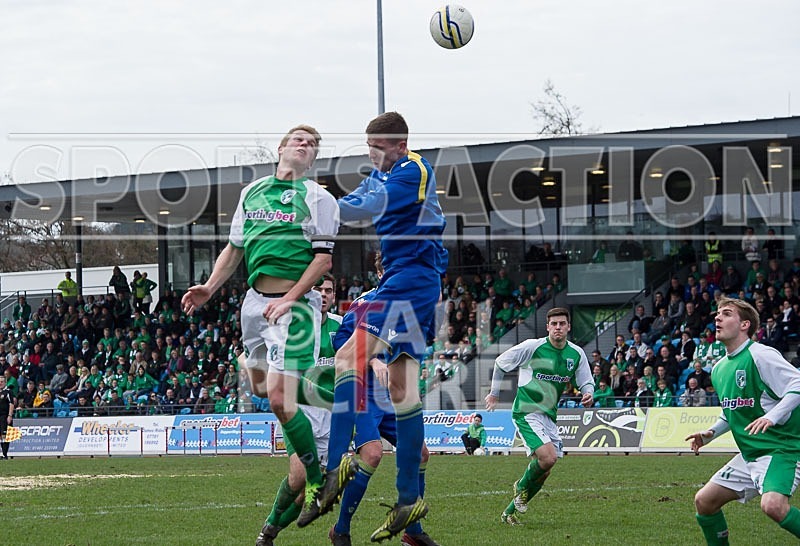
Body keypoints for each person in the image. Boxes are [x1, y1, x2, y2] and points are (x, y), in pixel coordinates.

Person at [180, 124, 340, 542]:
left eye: (312, 144)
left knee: (279, 397)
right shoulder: (252, 193)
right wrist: (209, 287)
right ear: (281, 147)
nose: (305, 145)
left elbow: (322, 261)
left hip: (295, 308)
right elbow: (234, 249)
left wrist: (292, 298)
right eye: (298, 139)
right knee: (258, 387)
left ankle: (319, 481)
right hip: (254, 304)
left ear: (313, 158)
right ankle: (310, 452)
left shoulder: (320, 199)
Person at [298, 112, 448, 543]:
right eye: (369, 147)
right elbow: (349, 205)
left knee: (348, 358)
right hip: (412, 282)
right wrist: (313, 205)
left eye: (379, 147)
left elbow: (368, 206)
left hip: (411, 278)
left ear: (401, 144)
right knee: (403, 389)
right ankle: (408, 504)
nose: (372, 154)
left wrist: (312, 198)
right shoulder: (380, 174)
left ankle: (332, 473)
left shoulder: (413, 170)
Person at [685, 297, 800, 543]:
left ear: (745, 324)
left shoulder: (761, 355)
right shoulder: (718, 369)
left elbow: (797, 384)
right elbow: (732, 410)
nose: (717, 317)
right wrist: (710, 434)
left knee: (773, 505)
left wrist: (771, 417)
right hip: (750, 454)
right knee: (704, 501)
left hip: (781, 449)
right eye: (717, 313)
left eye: (726, 313)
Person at [485, 307, 594, 526]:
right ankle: (520, 486)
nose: (558, 328)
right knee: (548, 458)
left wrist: (588, 393)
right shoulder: (532, 347)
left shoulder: (576, 353)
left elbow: (586, 381)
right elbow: (500, 363)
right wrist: (494, 394)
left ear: (568, 327)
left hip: (549, 415)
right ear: (547, 327)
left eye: (562, 324)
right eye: (554, 324)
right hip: (527, 411)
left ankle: (509, 513)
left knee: (545, 471)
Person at [256, 274, 342, 546]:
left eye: (329, 290)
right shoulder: (295, 325)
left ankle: (270, 532)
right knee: (299, 477)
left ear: (334, 296)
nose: (324, 294)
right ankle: (269, 525)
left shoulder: (342, 326)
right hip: (298, 410)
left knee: (307, 493)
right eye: (319, 288)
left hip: (329, 418)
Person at [0, 375, 15, 459]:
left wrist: (9, 415)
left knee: (4, 435)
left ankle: (4, 454)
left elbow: (11, 404)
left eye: (2, 382)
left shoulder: (8, 392)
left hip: (4, 416)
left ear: (5, 382)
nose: (0, 383)